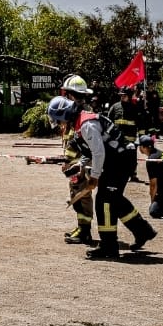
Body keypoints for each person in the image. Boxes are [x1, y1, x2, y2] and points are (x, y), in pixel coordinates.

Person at [47, 74, 156, 260]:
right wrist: (80, 166)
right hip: (116, 161)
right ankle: (143, 231)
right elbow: (91, 153)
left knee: (104, 202)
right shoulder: (81, 122)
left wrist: (95, 177)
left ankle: (109, 247)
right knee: (114, 199)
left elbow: (99, 153)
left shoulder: (86, 124)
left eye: (59, 120)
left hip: (120, 162)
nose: (59, 124)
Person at [51, 83, 93, 245]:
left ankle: (85, 231)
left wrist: (69, 162)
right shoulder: (72, 117)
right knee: (76, 196)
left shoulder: (80, 117)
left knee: (83, 196)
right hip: (73, 166)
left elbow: (77, 145)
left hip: (81, 166)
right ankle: (82, 227)